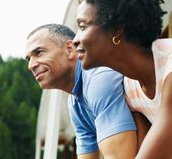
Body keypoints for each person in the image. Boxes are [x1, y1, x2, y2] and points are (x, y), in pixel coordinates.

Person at [73, 0, 172, 158]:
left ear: (116, 29)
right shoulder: (130, 89)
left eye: (83, 26)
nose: (74, 40)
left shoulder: (169, 63)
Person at [26, 23, 137, 159]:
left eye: (39, 53)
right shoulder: (75, 103)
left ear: (69, 49)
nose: (31, 65)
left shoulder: (97, 78)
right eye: (28, 59)